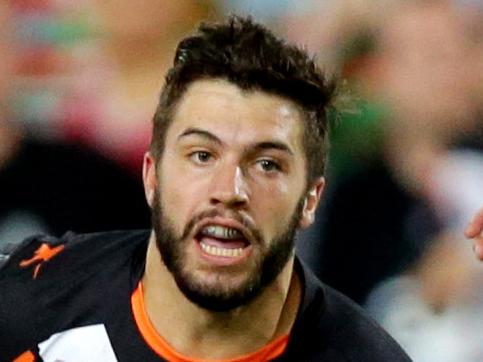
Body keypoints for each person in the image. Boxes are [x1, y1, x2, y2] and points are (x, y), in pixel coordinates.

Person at [0, 16, 412, 361]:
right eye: (202, 155)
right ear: (152, 176)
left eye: (267, 164)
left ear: (310, 199)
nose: (229, 189)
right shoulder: (29, 305)